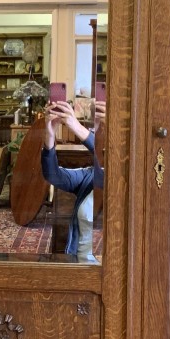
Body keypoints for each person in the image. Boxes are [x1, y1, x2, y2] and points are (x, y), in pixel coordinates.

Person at [41, 99, 105, 261]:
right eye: (95, 129)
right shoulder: (89, 177)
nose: (94, 135)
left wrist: (75, 126)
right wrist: (50, 136)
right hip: (81, 266)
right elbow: (53, 176)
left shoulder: (130, 182)